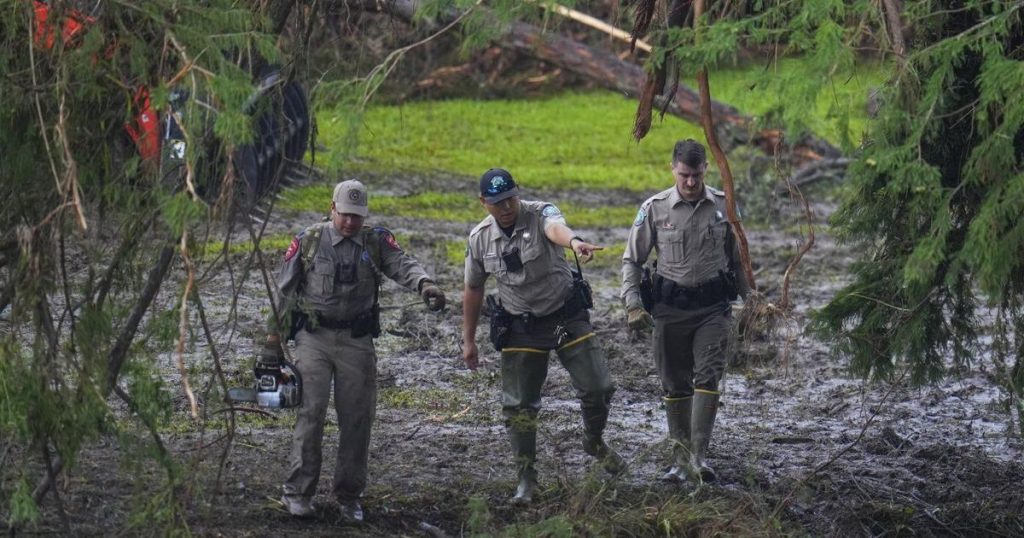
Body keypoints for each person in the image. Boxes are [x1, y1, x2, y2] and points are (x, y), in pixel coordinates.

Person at [261, 179, 447, 520]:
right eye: (345, 214)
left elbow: (402, 264)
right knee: (311, 412)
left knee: (357, 418)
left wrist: (425, 285)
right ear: (332, 209)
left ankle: (348, 496)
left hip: (357, 340)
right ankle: (298, 492)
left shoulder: (375, 242)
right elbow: (284, 291)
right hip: (313, 338)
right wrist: (273, 339)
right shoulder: (309, 241)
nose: (350, 222)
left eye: (357, 216)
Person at [462, 168, 624, 505]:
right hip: (521, 325)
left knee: (598, 388)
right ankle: (526, 479)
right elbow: (473, 288)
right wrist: (469, 340)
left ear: (518, 193)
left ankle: (594, 440)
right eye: (497, 202)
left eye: (510, 199)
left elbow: (555, 229)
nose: (506, 207)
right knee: (518, 407)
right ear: (483, 202)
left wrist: (575, 241)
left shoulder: (540, 213)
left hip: (564, 316)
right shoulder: (479, 238)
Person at [621, 139, 750, 484]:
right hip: (669, 310)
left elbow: (739, 262)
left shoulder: (725, 206)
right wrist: (633, 304)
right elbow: (632, 260)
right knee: (675, 383)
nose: (690, 182)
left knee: (708, 376)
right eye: (684, 175)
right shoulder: (654, 209)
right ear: (672, 169)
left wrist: (752, 301)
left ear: (705, 169)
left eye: (696, 175)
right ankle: (679, 460)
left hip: (713, 309)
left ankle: (699, 457)